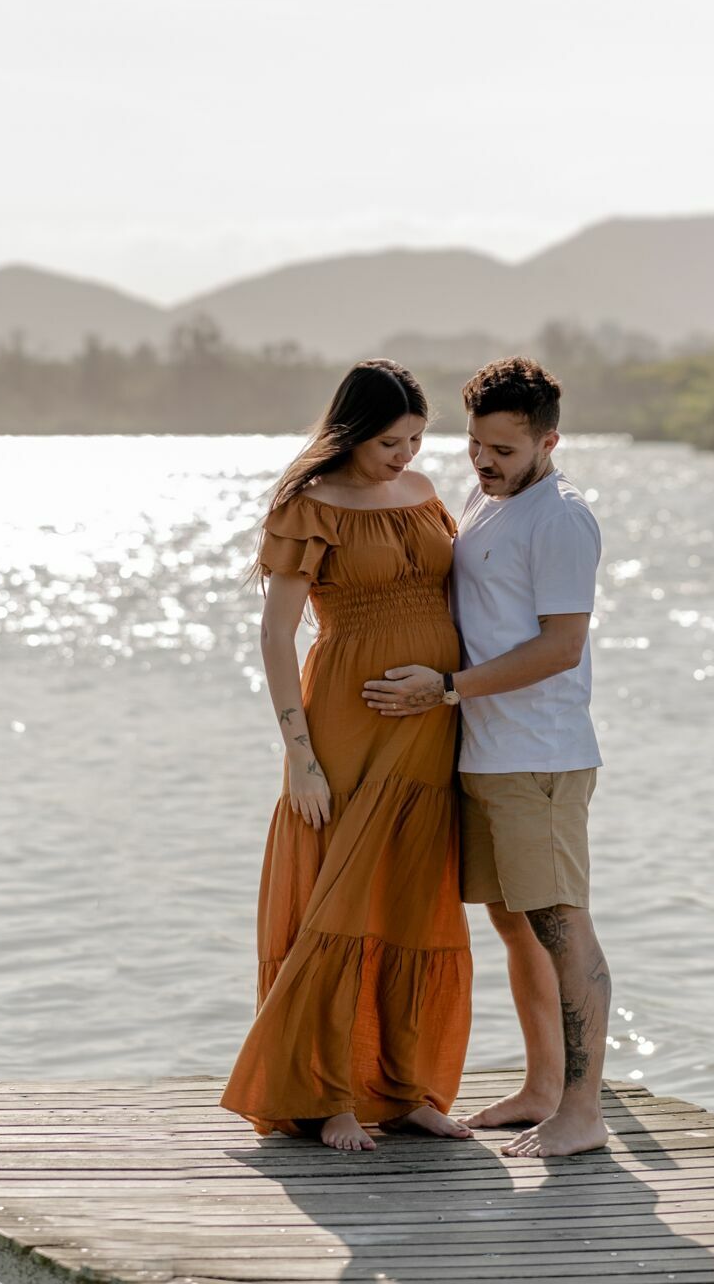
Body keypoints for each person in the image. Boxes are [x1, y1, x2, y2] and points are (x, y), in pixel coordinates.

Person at [220, 360, 472, 1152]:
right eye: (390, 441)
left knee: (408, 895)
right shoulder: (308, 505)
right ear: (353, 432)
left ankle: (403, 1092)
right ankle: (325, 1095)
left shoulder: (426, 493)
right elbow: (275, 634)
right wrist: (299, 757)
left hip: (429, 724)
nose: (405, 454)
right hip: (343, 724)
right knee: (339, 899)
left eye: (416, 439)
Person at [363, 356, 611, 1157]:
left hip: (538, 755)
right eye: (475, 444)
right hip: (482, 749)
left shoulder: (561, 517)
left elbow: (561, 647)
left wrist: (447, 688)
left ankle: (581, 1112)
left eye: (503, 450)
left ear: (547, 441)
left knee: (559, 923)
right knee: (515, 925)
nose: (483, 462)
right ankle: (542, 1088)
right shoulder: (482, 497)